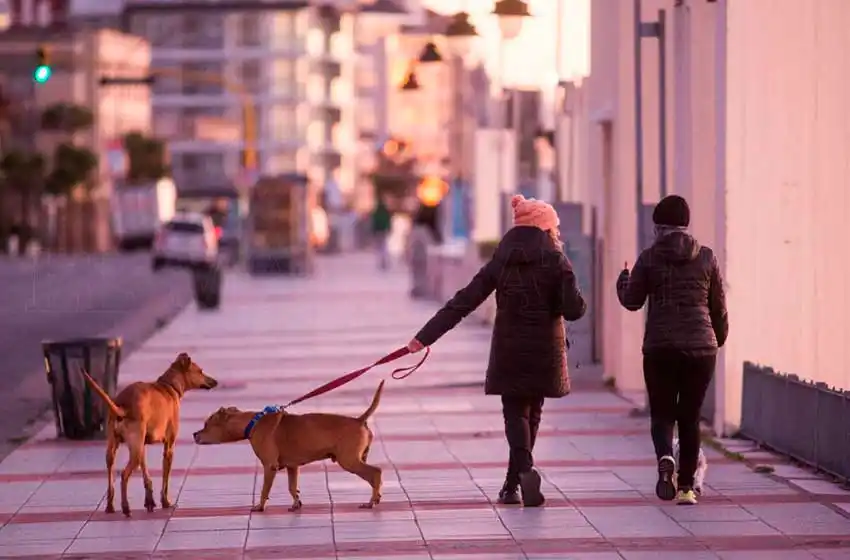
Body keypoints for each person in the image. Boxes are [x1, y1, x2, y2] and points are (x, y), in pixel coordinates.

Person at [406, 194, 586, 507]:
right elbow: (574, 310)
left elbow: (465, 300)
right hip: (545, 349)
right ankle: (519, 477)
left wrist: (424, 337)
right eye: (554, 228)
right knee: (533, 413)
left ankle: (514, 482)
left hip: (509, 346)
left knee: (515, 412)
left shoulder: (502, 259)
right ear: (545, 229)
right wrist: (566, 274)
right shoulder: (556, 260)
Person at [616, 194, 729, 506]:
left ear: (658, 227)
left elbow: (632, 301)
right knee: (690, 418)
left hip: (660, 348)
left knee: (663, 414)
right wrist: (716, 339)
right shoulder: (706, 257)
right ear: (686, 225)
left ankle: (666, 456)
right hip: (700, 349)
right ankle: (686, 488)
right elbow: (718, 307)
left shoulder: (649, 257)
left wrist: (622, 282)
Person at [371, 195, 392, 270]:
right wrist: (389, 228)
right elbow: (388, 221)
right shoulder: (386, 212)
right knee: (384, 245)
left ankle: (380, 260)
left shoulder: (376, 212)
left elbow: (373, 222)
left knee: (378, 247)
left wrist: (373, 231)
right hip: (384, 231)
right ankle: (384, 259)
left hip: (377, 231)